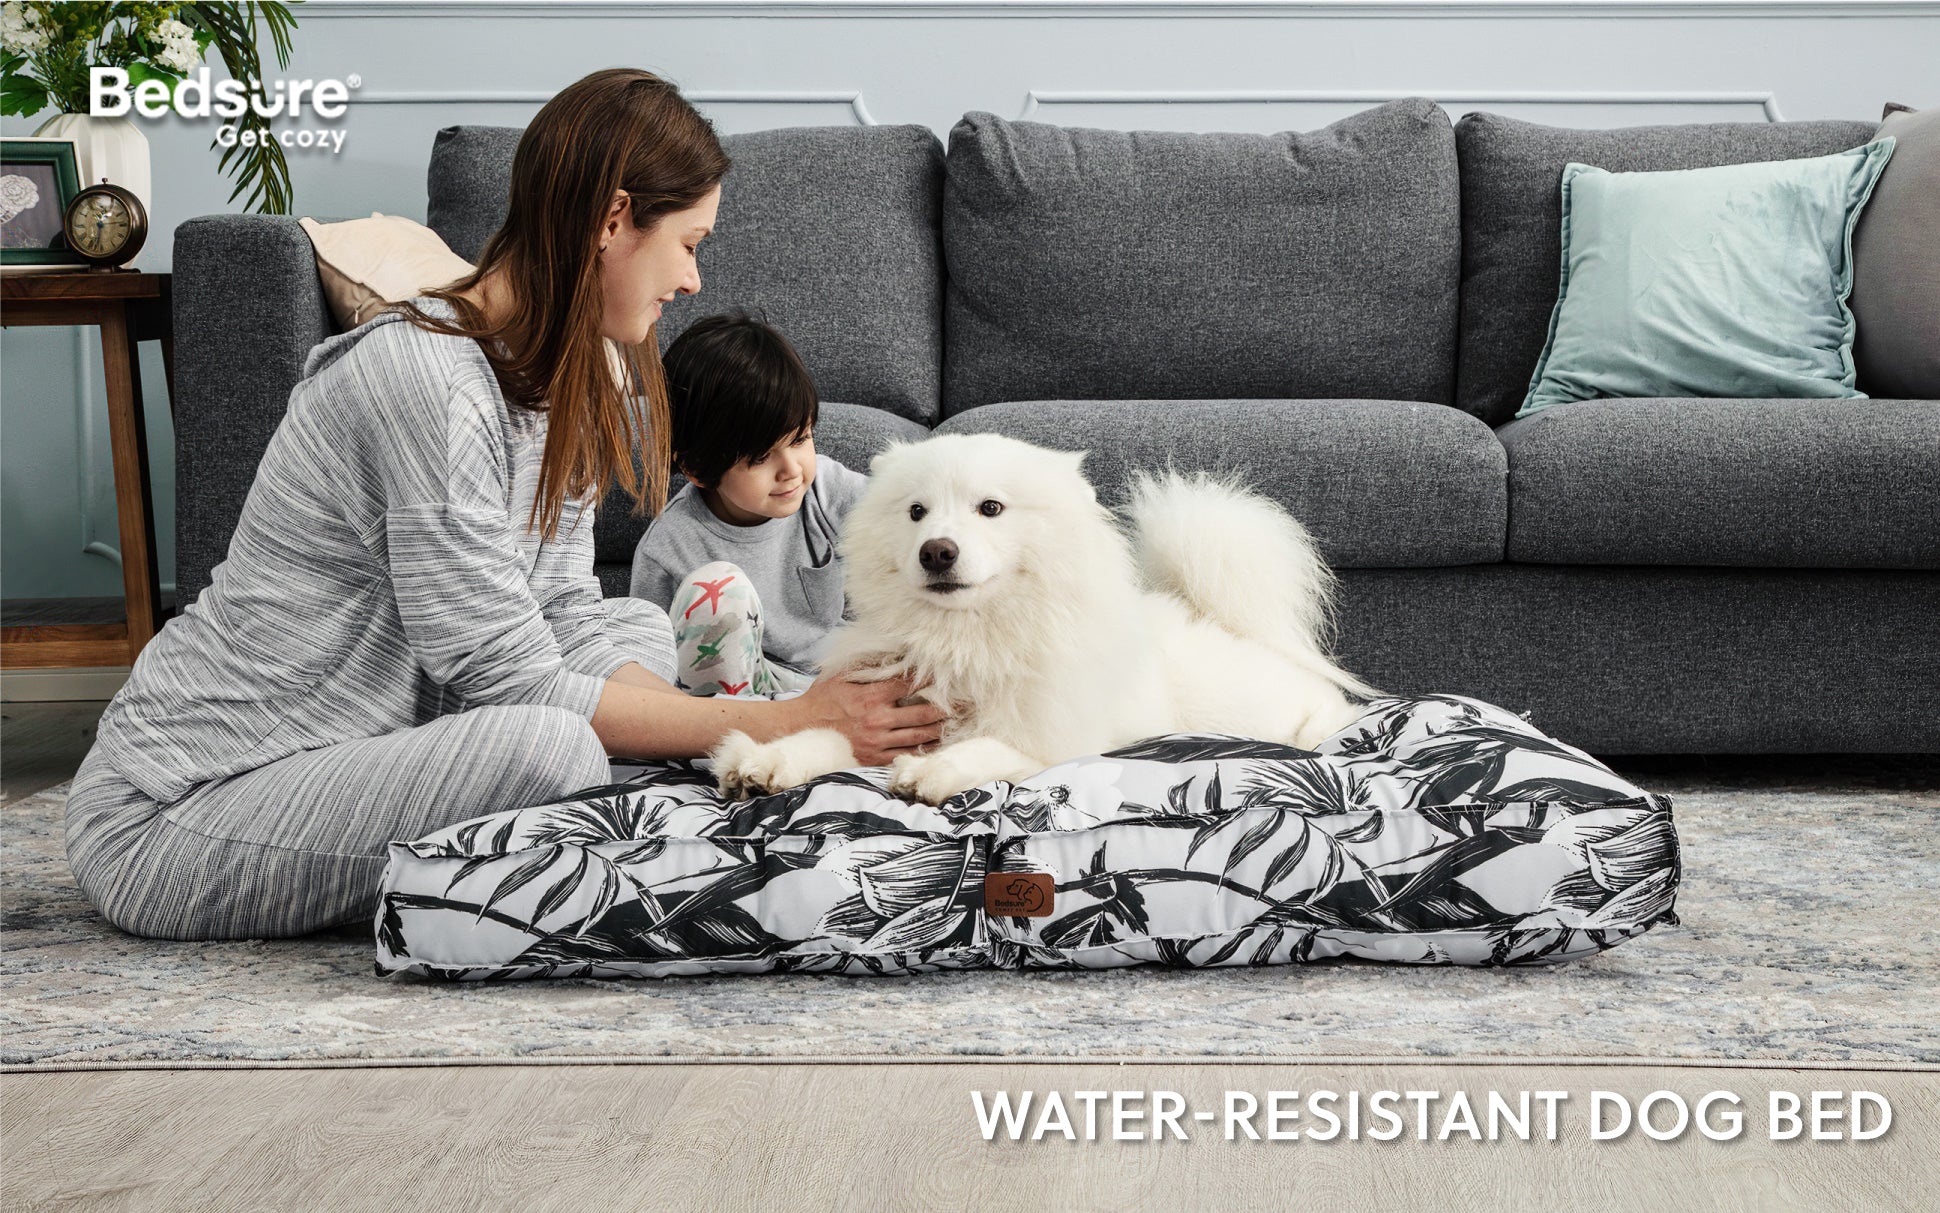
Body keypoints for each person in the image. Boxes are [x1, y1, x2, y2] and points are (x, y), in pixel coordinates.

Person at [61, 68, 945, 941]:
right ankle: (619, 812)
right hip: (181, 807)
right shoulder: (428, 381)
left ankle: (632, 803)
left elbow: (562, 610)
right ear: (612, 221)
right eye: (689, 242)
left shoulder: (571, 375)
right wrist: (783, 719)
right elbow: (512, 680)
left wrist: (745, 732)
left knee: (634, 628)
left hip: (368, 753)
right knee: (549, 745)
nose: (693, 280)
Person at [629, 311, 868, 698]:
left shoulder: (827, 488)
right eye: (760, 458)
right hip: (746, 702)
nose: (791, 470)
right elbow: (646, 670)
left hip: (845, 680)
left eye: (801, 438)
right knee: (717, 588)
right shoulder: (668, 548)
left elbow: (913, 518)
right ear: (698, 469)